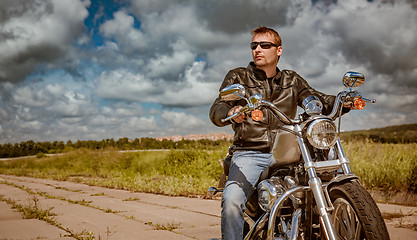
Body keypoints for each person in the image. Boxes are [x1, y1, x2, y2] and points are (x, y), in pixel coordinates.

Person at [209, 26, 346, 240]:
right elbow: (217, 108)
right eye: (254, 45)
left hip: (288, 151)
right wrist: (231, 110)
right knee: (232, 199)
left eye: (265, 45)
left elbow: (315, 99)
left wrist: (342, 101)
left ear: (279, 50)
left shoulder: (291, 80)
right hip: (250, 152)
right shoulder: (239, 76)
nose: (258, 49)